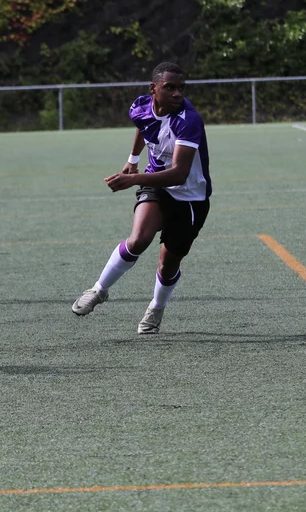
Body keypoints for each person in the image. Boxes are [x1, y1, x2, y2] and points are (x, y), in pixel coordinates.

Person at [71, 62, 212, 334]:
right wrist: (133, 160)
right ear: (153, 89)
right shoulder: (140, 107)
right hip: (156, 184)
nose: (177, 93)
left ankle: (156, 308)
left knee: (168, 264)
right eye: (169, 87)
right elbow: (143, 126)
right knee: (138, 239)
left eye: (181, 88)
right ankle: (99, 290)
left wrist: (133, 179)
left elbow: (179, 174)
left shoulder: (188, 120)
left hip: (190, 198)